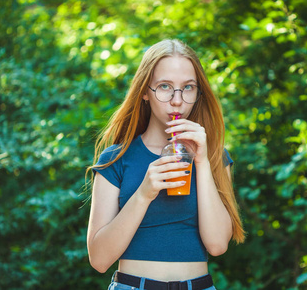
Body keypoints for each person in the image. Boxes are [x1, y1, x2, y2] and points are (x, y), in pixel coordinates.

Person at [87, 39, 245, 290]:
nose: (177, 101)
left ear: (198, 93)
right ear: (144, 92)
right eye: (164, 87)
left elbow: (217, 245)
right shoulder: (116, 159)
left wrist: (202, 162)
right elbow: (99, 259)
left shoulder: (214, 157)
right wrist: (143, 194)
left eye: (188, 88)